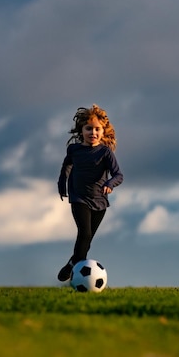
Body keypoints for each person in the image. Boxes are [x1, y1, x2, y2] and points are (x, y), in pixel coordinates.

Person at [57, 104, 124, 282]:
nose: (92, 132)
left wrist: (110, 183)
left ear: (103, 132)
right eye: (88, 128)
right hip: (79, 197)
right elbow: (67, 165)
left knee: (86, 241)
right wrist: (62, 182)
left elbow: (118, 175)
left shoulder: (105, 152)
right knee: (84, 233)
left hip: (100, 202)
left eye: (97, 129)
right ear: (82, 130)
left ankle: (73, 264)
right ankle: (77, 275)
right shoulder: (74, 150)